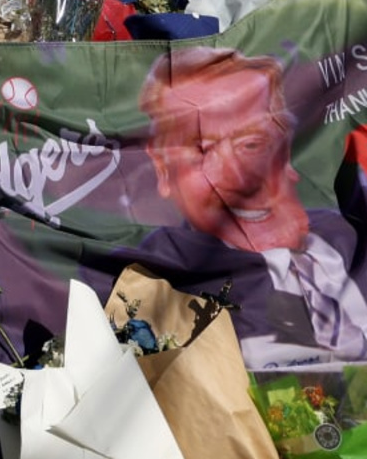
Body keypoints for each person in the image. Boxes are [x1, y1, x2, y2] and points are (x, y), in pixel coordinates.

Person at [133, 47, 367, 362]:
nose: (237, 177)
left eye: (252, 144)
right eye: (203, 152)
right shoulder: (155, 275)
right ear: (162, 168)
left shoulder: (347, 235)